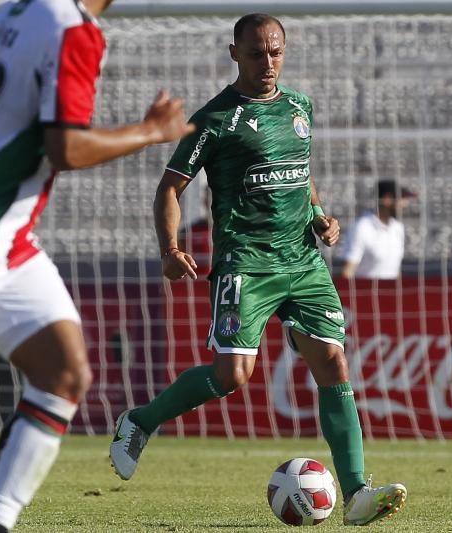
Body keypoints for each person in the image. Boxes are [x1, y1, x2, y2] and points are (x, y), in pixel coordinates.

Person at [0, 1, 192, 531]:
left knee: (64, 374)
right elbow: (66, 148)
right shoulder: (75, 31)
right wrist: (152, 131)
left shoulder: (24, 12)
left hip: (8, 243)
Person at [109, 13, 407, 526]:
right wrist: (169, 247)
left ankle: (357, 493)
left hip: (303, 261)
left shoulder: (299, 107)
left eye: (275, 52)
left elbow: (301, 176)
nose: (267, 62)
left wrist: (319, 217)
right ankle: (140, 420)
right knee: (232, 376)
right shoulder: (214, 120)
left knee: (333, 363)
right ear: (234, 54)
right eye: (256, 53)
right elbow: (169, 188)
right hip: (245, 263)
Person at [340, 180, 415, 279]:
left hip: (391, 292)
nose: (405, 204)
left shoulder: (397, 228)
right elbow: (347, 272)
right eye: (402, 199)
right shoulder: (362, 227)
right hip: (366, 292)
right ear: (387, 199)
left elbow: (395, 269)